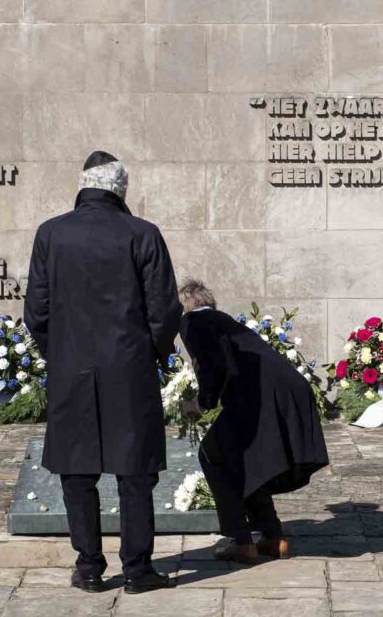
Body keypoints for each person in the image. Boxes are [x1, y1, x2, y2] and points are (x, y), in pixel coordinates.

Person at [23, 151, 182, 594]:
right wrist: (153, 354)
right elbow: (164, 309)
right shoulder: (142, 233)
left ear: (83, 184)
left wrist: (58, 353)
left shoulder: (51, 234)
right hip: (129, 370)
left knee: (77, 471)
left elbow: (36, 311)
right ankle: (137, 569)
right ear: (122, 189)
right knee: (135, 473)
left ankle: (89, 567)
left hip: (70, 369)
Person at [177, 279, 329, 565]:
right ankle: (272, 536)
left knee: (212, 454)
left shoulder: (193, 322)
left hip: (260, 397)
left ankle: (241, 540)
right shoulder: (222, 319)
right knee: (245, 457)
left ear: (185, 305)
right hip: (286, 390)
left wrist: (200, 404)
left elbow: (212, 364)